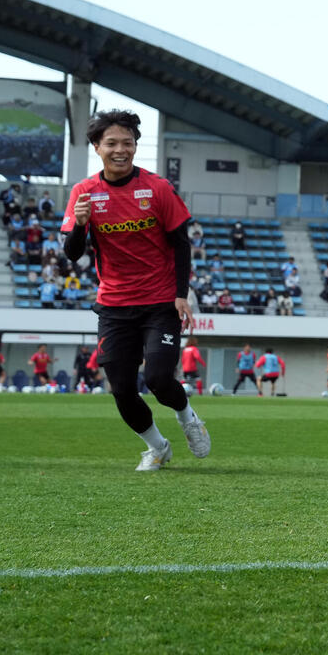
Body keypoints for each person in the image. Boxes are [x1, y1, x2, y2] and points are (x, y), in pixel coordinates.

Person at [62, 109, 209, 470]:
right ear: (97, 147)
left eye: (127, 143)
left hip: (160, 302)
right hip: (113, 305)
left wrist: (181, 294)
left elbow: (181, 243)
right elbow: (72, 253)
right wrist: (81, 225)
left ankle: (188, 417)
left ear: (135, 146)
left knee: (159, 378)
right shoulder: (84, 192)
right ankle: (157, 447)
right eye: (111, 143)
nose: (120, 149)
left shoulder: (158, 188)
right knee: (122, 389)